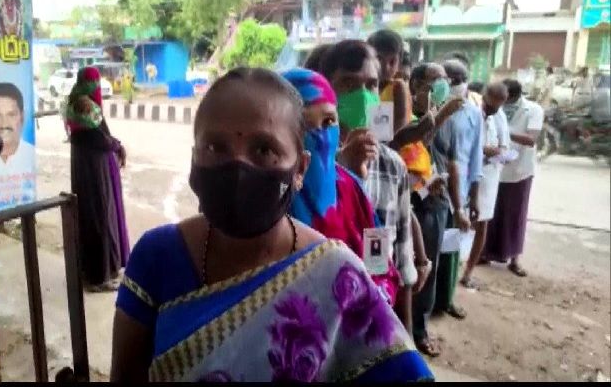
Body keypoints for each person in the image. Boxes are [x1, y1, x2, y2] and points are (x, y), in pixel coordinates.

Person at [110, 67, 433, 382]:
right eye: (215, 147)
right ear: (194, 158)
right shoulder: (158, 257)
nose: (237, 168)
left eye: (264, 149)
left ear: (299, 169)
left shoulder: (337, 271)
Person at [319, 40, 421, 333]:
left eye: (371, 85)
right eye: (349, 84)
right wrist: (342, 170)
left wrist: (406, 337)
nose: (363, 95)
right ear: (328, 90)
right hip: (325, 316)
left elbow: (401, 258)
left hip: (376, 312)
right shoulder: (309, 163)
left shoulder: (392, 166)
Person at [280, 67, 377, 274]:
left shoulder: (352, 188)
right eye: (305, 125)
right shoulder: (270, 199)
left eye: (329, 121)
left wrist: (378, 287)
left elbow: (379, 259)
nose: (322, 137)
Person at [408, 62, 464, 357]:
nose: (442, 85)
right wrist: (440, 116)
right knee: (410, 268)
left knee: (432, 266)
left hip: (439, 203)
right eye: (435, 80)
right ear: (416, 84)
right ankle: (406, 329)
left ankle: (420, 327)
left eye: (445, 80)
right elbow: (414, 145)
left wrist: (459, 205)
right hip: (412, 203)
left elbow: (452, 163)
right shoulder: (406, 115)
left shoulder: (450, 118)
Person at [67, 66, 130, 292]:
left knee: (96, 215)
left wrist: (114, 144)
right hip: (93, 170)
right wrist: (116, 145)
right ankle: (98, 277)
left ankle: (101, 270)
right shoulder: (83, 105)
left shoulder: (75, 101)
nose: (97, 86)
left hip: (89, 167)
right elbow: (96, 138)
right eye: (94, 81)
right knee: (99, 216)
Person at [432, 59, 484, 321]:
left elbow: (475, 158)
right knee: (430, 251)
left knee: (449, 250)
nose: (455, 84)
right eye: (450, 79)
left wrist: (472, 198)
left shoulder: (473, 114)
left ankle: (445, 299)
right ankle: (429, 301)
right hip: (432, 192)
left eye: (460, 79)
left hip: (458, 196)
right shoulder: (431, 108)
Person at [481, 79, 543, 277]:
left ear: (512, 96)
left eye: (505, 98)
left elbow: (531, 139)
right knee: (492, 214)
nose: (502, 102)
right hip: (497, 169)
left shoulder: (533, 110)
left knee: (516, 216)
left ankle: (514, 259)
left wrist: (507, 133)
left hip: (520, 171)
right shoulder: (495, 108)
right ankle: (486, 253)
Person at [460, 82, 510, 288]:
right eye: (490, 106)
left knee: (482, 224)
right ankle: (451, 266)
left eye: (497, 107)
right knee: (459, 221)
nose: (492, 111)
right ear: (484, 96)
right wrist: (483, 150)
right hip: (465, 175)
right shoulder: (469, 111)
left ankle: (468, 272)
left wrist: (498, 153)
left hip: (489, 177)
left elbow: (504, 146)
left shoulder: (500, 117)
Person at [367, 29, 412, 131]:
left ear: (399, 63)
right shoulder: (362, 86)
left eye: (392, 62)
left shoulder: (397, 88)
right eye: (379, 59)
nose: (386, 67)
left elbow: (400, 130)